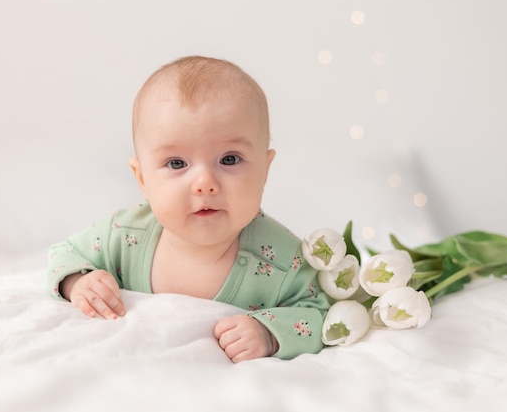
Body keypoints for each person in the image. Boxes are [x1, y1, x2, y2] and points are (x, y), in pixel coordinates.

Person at [47, 55, 329, 362]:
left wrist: (269, 334)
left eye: (230, 159)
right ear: (142, 178)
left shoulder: (283, 261)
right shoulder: (124, 235)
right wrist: (78, 282)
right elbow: (64, 253)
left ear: (265, 169)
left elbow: (320, 312)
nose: (205, 184)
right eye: (177, 163)